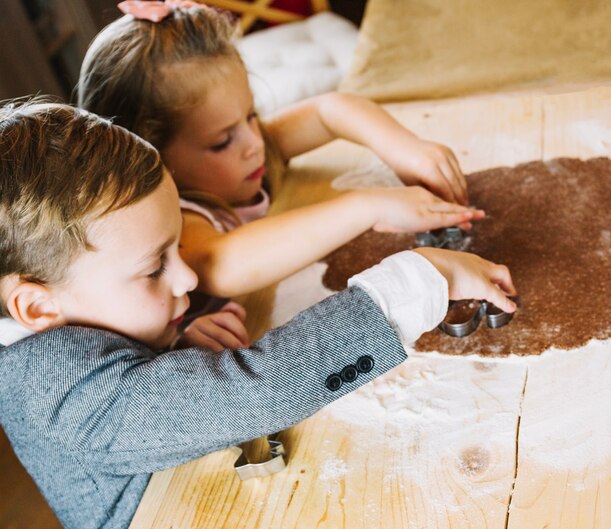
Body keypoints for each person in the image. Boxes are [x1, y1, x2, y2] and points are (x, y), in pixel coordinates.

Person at [0, 101, 515, 529]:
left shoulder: (64, 312)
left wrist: (170, 355)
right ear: (37, 306)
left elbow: (129, 383)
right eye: (155, 267)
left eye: (177, 248)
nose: (189, 280)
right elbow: (256, 391)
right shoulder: (58, 393)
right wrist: (416, 280)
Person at [77, 0, 485, 345]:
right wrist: (368, 206)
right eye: (222, 141)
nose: (255, 141)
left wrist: (406, 148)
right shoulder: (174, 221)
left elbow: (330, 110)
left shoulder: (249, 147)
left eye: (251, 116)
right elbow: (223, 264)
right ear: (155, 161)